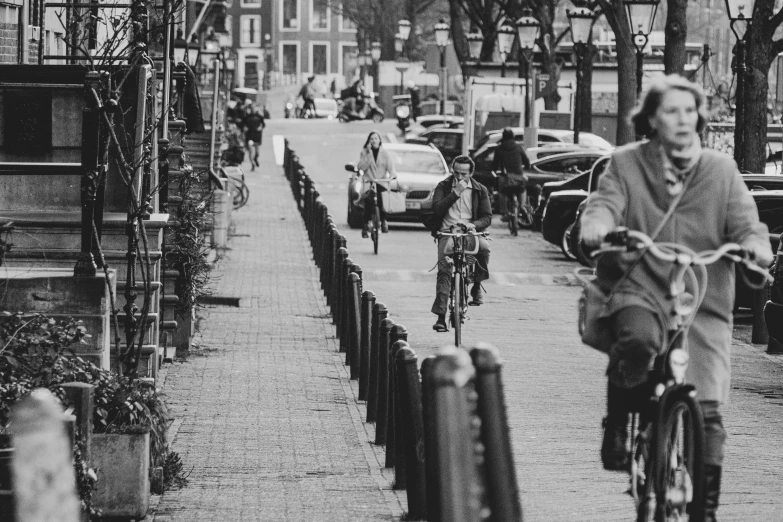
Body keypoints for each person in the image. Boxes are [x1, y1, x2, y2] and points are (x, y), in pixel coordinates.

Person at [580, 75, 773, 522]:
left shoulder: (721, 171)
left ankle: (704, 509)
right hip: (640, 285)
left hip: (703, 300)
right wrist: (598, 225)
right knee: (640, 342)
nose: (683, 120)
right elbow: (605, 203)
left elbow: (746, 222)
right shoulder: (627, 163)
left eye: (690, 110)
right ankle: (621, 412)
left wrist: (755, 246)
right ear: (651, 119)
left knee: (707, 410)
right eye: (671, 111)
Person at [430, 155, 492, 332]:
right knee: (444, 269)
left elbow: (487, 217)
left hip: (470, 231)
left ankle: (477, 286)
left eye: (464, 174)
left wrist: (473, 225)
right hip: (447, 232)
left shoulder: (480, 190)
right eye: (456, 173)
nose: (459, 177)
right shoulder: (443, 186)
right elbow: (437, 209)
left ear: (471, 173)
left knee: (485, 249)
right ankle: (441, 316)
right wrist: (455, 193)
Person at [356, 131, 397, 237]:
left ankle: (383, 221)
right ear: (369, 141)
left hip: (381, 182)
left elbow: (390, 167)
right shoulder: (365, 152)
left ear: (379, 140)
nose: (374, 141)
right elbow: (361, 167)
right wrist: (369, 155)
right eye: (372, 139)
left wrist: (392, 175)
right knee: (368, 202)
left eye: (376, 138)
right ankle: (365, 226)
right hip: (369, 182)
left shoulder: (385, 153)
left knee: (383, 199)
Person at [491, 127, 531, 222]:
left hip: (506, 179)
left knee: (501, 191)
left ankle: (505, 212)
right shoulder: (519, 147)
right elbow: (527, 161)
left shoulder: (499, 148)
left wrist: (494, 170)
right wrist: (525, 167)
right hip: (519, 177)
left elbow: (495, 164)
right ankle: (522, 206)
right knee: (523, 188)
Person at [242, 105, 265, 171]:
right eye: (252, 108)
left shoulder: (259, 117)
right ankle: (252, 164)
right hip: (250, 136)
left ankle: (255, 159)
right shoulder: (247, 117)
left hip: (257, 136)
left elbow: (263, 124)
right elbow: (243, 125)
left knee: (257, 152)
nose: (253, 109)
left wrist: (260, 128)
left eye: (254, 108)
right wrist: (245, 129)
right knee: (251, 152)